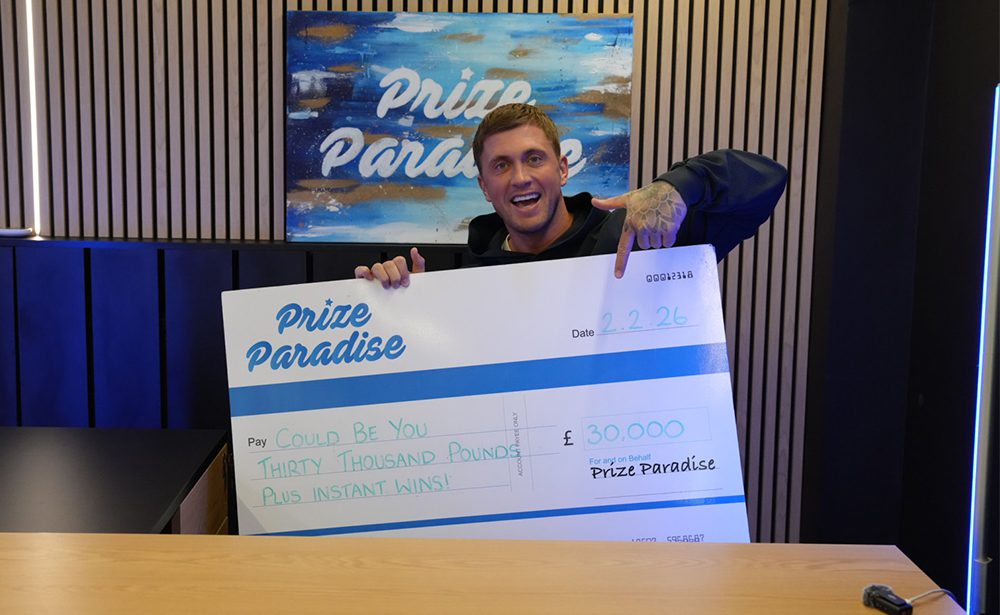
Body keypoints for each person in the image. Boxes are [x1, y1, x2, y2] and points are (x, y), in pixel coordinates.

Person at [355, 103, 787, 288]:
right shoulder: (468, 282)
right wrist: (408, 308)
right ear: (485, 187)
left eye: (534, 159)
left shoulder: (638, 238)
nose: (520, 177)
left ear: (562, 169)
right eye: (501, 166)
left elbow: (767, 181)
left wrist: (677, 187)